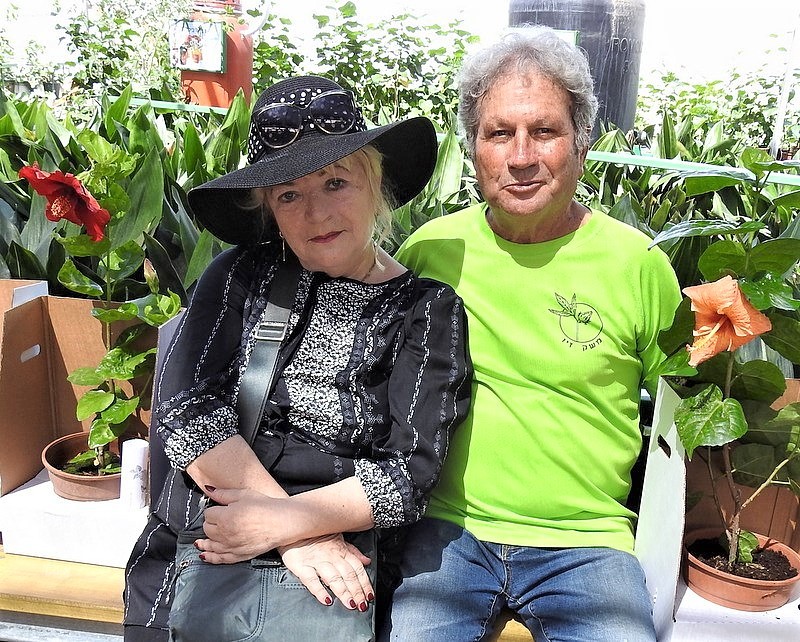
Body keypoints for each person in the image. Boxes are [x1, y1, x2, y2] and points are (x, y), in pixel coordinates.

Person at [123, 75, 472, 641]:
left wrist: (285, 524)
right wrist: (296, 535)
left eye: (335, 182)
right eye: (289, 195)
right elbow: (186, 411)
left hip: (338, 568)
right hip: (210, 538)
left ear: (375, 183)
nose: (315, 213)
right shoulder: (241, 273)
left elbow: (409, 474)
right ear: (269, 209)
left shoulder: (425, 310)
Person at [381, 27, 682, 642]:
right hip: (447, 532)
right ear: (474, 149)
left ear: (582, 142)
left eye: (544, 131)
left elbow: (687, 411)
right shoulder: (432, 252)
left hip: (587, 542)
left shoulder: (637, 265)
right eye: (499, 134)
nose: (520, 157)